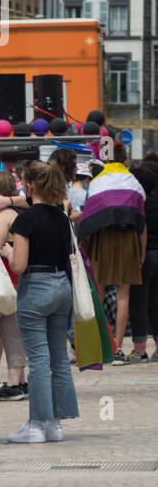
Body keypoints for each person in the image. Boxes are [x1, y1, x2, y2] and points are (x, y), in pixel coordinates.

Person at [7, 161, 79, 444]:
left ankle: (37, 425)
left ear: (31, 185)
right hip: (62, 287)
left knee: (37, 359)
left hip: (36, 288)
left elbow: (20, 266)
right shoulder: (62, 216)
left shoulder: (26, 220)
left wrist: (7, 250)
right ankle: (56, 424)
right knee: (59, 357)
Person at [76, 148, 146, 361]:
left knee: (98, 291)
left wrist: (84, 245)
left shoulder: (98, 182)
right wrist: (141, 252)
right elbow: (141, 222)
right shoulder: (133, 181)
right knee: (123, 294)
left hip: (101, 239)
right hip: (128, 240)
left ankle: (99, 345)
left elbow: (89, 215)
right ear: (124, 158)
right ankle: (117, 348)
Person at [0, 171, 29, 399]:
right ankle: (17, 380)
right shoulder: (18, 212)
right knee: (12, 332)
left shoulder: (1, 216)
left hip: (1, 280)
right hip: (16, 280)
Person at [125, 163, 158, 364]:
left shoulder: (138, 203)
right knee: (156, 304)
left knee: (138, 302)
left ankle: (139, 349)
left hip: (144, 257)